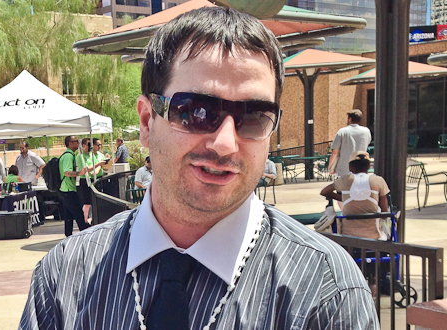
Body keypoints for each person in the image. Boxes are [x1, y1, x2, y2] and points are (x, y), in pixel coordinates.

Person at [20, 7, 378, 330]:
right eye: (195, 111)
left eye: (253, 117)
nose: (225, 143)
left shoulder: (326, 288)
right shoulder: (64, 277)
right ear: (147, 122)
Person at [320, 151, 390, 240]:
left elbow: (324, 192)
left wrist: (345, 199)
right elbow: (384, 213)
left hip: (349, 239)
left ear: (350, 167)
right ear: (368, 166)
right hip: (375, 239)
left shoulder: (344, 180)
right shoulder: (378, 181)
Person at [58, 135, 90, 237]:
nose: (78, 143)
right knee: (78, 214)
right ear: (70, 143)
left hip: (66, 189)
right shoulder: (68, 156)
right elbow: (67, 172)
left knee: (69, 216)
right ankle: (85, 234)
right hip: (68, 190)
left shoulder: (70, 155)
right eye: (76, 141)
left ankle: (68, 235)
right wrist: (80, 173)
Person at [328, 109, 372, 178]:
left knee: (343, 188)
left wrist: (330, 167)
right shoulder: (366, 131)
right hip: (361, 168)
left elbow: (335, 152)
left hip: (344, 169)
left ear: (350, 119)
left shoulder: (342, 132)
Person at [76, 139, 107, 207]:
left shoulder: (92, 154)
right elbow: (85, 170)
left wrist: (100, 166)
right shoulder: (80, 156)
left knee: (97, 201)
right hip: (86, 180)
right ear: (84, 145)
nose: (91, 147)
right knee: (87, 203)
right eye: (89, 145)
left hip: (97, 179)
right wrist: (98, 164)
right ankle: (85, 217)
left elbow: (100, 165)